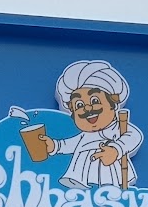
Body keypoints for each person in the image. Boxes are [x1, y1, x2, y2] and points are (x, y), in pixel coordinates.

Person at [46, 61, 142, 190]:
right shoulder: (84, 136)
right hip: (81, 181)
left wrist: (116, 149)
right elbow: (70, 144)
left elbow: (133, 136)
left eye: (95, 100)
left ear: (113, 104)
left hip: (108, 174)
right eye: (79, 105)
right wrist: (55, 145)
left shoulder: (117, 128)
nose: (87, 108)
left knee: (108, 189)